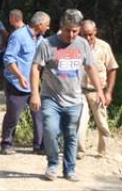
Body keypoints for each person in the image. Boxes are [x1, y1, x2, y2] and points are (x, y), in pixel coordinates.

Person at [30, 9, 106, 182]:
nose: (71, 35)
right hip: (51, 97)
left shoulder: (82, 45)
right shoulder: (47, 44)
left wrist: (100, 91)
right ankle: (52, 164)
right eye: (67, 30)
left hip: (74, 100)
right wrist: (35, 94)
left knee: (71, 135)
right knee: (50, 130)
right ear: (61, 27)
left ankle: (69, 169)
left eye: (75, 31)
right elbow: (36, 68)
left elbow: (90, 68)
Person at [0, 11, 50, 155]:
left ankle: (39, 145)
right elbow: (9, 59)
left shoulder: (41, 39)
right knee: (13, 115)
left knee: (39, 113)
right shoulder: (18, 36)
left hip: (34, 84)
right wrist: (20, 76)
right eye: (46, 25)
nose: (48, 28)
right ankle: (6, 142)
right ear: (39, 25)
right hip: (16, 83)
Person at [78, 20, 119, 158]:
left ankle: (103, 152)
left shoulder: (103, 47)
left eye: (90, 34)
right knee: (80, 121)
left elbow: (112, 68)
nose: (87, 38)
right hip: (80, 90)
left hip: (98, 91)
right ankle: (80, 151)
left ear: (95, 32)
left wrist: (108, 92)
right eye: (83, 35)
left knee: (102, 122)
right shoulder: (74, 46)